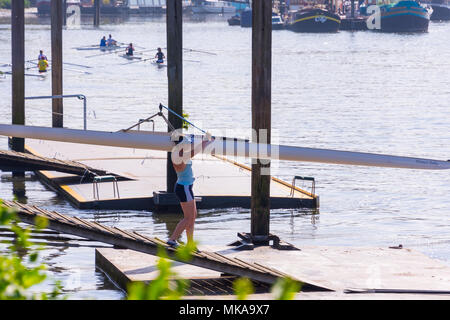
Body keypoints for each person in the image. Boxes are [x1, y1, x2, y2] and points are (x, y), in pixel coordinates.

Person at [167, 133, 214, 248]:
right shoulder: (179, 157)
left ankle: (190, 243)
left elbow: (193, 150)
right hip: (184, 188)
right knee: (188, 217)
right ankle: (172, 239)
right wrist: (205, 141)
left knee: (193, 216)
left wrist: (202, 140)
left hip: (185, 187)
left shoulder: (180, 153)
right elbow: (194, 151)